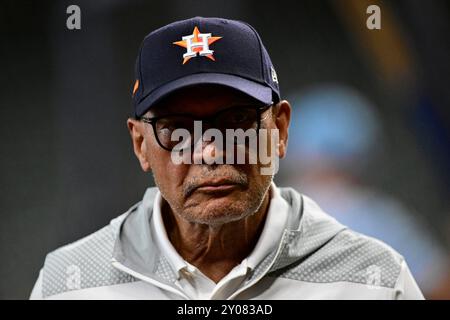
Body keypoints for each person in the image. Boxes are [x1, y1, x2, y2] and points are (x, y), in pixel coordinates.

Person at [30, 17, 423, 300]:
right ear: (140, 144)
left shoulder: (373, 280)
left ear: (281, 130)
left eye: (236, 121)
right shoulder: (71, 283)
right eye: (177, 128)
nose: (211, 150)